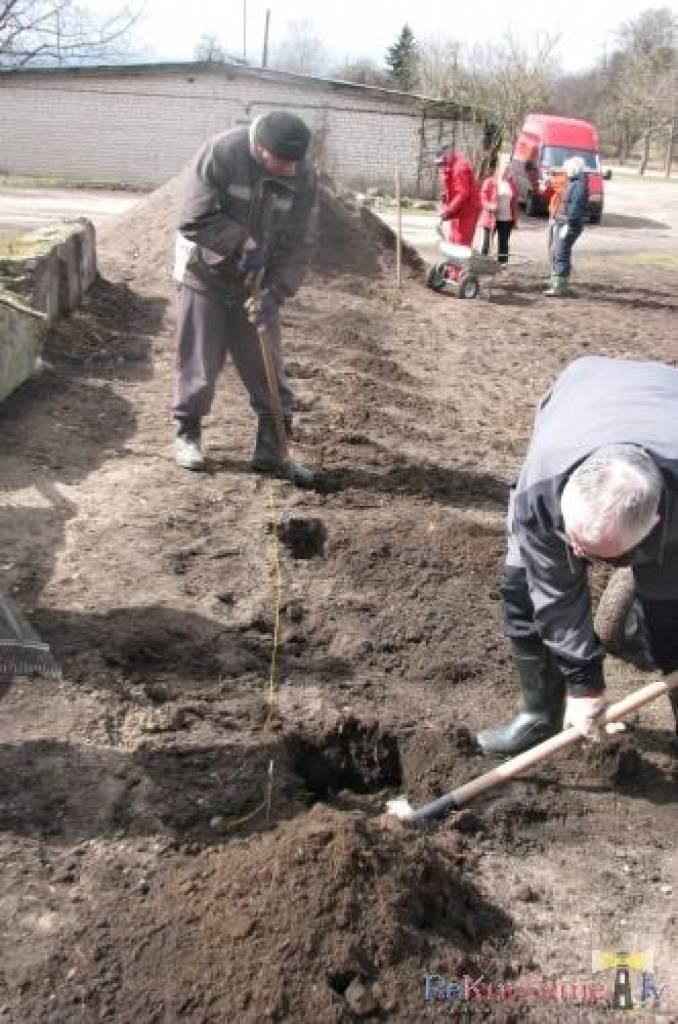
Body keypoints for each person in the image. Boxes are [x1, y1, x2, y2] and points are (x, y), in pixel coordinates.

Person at [477, 355, 678, 756]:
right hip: (583, 392)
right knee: (522, 587)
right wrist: (585, 687)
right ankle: (537, 715)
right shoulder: (544, 488)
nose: (579, 556)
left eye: (595, 552)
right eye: (575, 540)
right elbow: (554, 595)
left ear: (654, 524)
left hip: (665, 410)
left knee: (671, 614)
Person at [172, 110, 317, 487]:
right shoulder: (221, 153)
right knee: (200, 362)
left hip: (259, 283)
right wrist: (242, 241)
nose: (288, 169)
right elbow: (192, 217)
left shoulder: (301, 173)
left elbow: (301, 240)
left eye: (294, 162)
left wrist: (277, 291)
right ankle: (188, 433)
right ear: (257, 147)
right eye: (280, 161)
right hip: (206, 274)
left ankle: (273, 450)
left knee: (266, 362)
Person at [544, 155, 588, 297]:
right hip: (564, 222)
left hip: (568, 224)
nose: (565, 170)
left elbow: (575, 209)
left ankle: (559, 287)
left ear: (573, 169)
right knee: (562, 252)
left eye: (567, 168)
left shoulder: (578, 186)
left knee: (561, 253)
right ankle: (560, 283)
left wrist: (568, 225)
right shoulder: (575, 183)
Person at [435, 145, 481, 248]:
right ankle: (452, 264)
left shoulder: (460, 168)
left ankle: (460, 264)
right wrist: (445, 209)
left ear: (448, 155)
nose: (441, 165)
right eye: (439, 164)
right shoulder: (448, 168)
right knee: (453, 240)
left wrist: (448, 211)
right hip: (458, 210)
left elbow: (462, 194)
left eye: (442, 162)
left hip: (468, 211)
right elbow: (447, 192)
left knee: (461, 243)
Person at [479, 155, 519, 264]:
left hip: (506, 219)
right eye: (504, 167)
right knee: (486, 243)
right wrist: (490, 205)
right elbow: (482, 198)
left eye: (508, 167)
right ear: (499, 168)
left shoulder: (511, 184)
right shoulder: (490, 182)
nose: (506, 169)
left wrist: (515, 219)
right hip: (491, 218)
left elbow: (514, 203)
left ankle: (502, 265)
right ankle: (482, 264)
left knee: (504, 243)